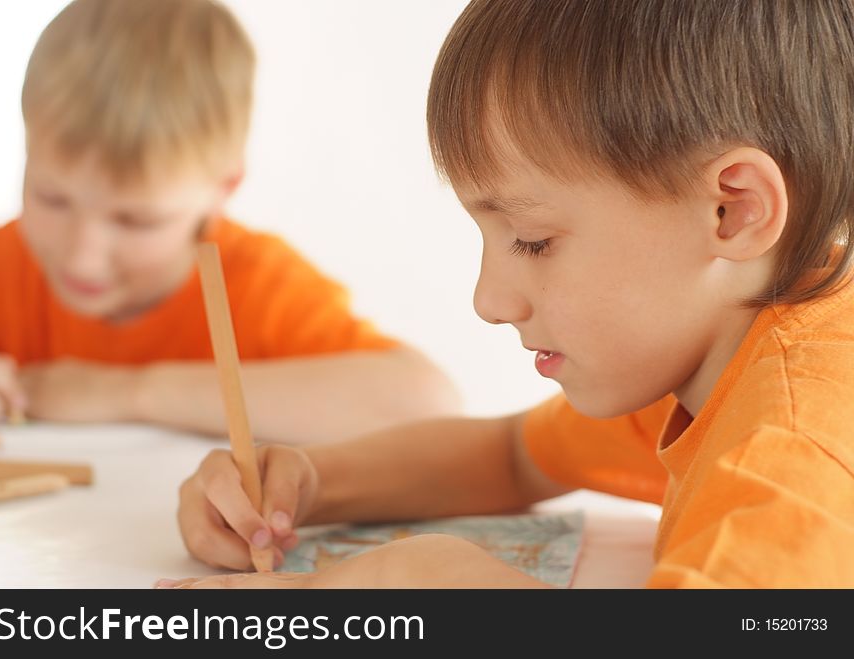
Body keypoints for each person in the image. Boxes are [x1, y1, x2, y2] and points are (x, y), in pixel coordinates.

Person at [167, 0, 854, 587]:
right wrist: (307, 482)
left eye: (533, 240)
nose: (489, 301)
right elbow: (514, 456)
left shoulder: (796, 449)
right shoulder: (714, 351)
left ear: (733, 211)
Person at [0, 0, 460, 444]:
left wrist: (127, 392)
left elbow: (428, 403)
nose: (82, 254)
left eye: (138, 221)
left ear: (222, 190)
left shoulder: (257, 288)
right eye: (51, 198)